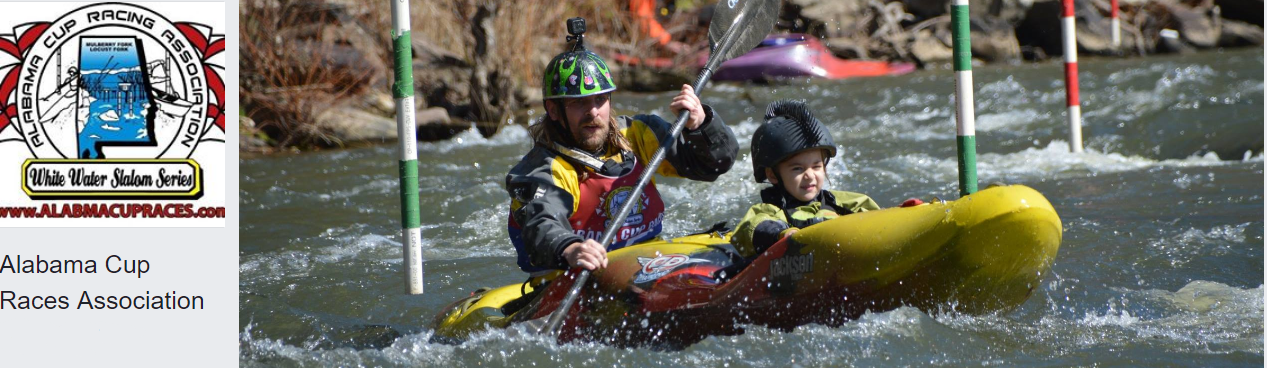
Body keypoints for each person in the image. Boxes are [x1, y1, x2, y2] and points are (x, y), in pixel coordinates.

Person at [506, 18, 738, 277]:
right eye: (578, 103)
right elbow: (540, 222)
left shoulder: (638, 135)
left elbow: (713, 165)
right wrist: (570, 248)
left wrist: (701, 125)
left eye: (600, 99)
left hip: (647, 264)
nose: (593, 112)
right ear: (553, 110)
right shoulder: (542, 169)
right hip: (576, 278)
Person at [730, 100, 881, 258]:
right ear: (773, 175)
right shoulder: (770, 211)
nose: (809, 175)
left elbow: (879, 218)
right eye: (797, 169)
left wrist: (903, 212)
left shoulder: (841, 202)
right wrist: (782, 235)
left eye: (816, 167)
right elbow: (753, 228)